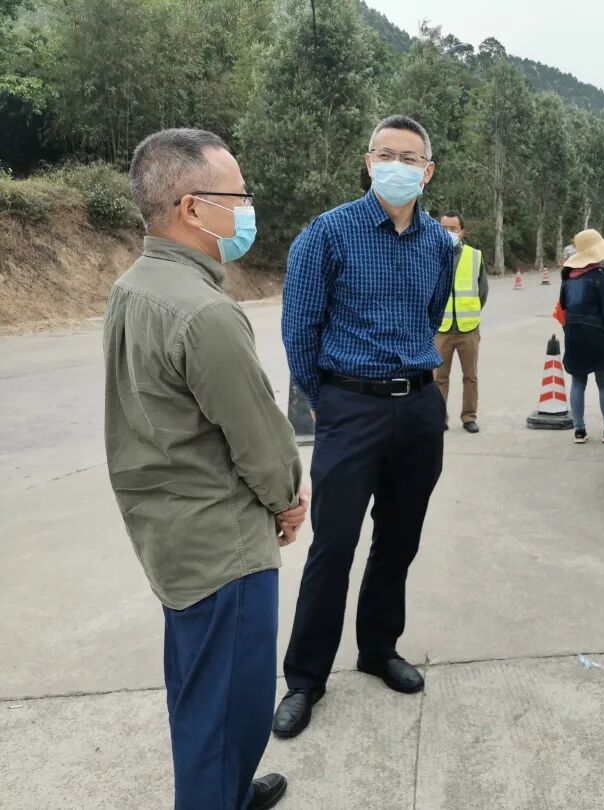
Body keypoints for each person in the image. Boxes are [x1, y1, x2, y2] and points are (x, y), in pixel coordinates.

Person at [103, 128, 306, 810]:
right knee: (230, 712)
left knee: (200, 697)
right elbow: (257, 437)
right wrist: (287, 498)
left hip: (171, 535)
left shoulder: (135, 286)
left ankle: (224, 788)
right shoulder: (204, 312)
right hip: (224, 549)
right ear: (193, 207)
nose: (247, 208)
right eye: (238, 194)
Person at [275, 115, 454, 738]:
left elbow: (432, 315)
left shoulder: (440, 243)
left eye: (411, 157)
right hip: (350, 407)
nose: (398, 166)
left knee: (399, 539)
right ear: (368, 161)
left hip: (420, 407)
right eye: (387, 154)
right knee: (333, 545)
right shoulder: (327, 234)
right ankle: (304, 678)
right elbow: (300, 330)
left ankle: (379, 648)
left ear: (427, 172)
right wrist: (326, 401)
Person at [559, 228, 604, 444]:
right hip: (598, 336)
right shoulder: (599, 276)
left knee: (578, 382)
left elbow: (563, 308)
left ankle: (579, 431)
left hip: (574, 336)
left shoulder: (568, 277)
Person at [434, 212, 488, 434]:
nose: (448, 232)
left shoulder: (475, 256)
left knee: (470, 376)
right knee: (439, 378)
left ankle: (469, 417)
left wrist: (470, 313)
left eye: (453, 228)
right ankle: (439, 418)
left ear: (462, 231)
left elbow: (482, 291)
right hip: (442, 329)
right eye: (444, 227)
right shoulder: (430, 255)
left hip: (468, 329)